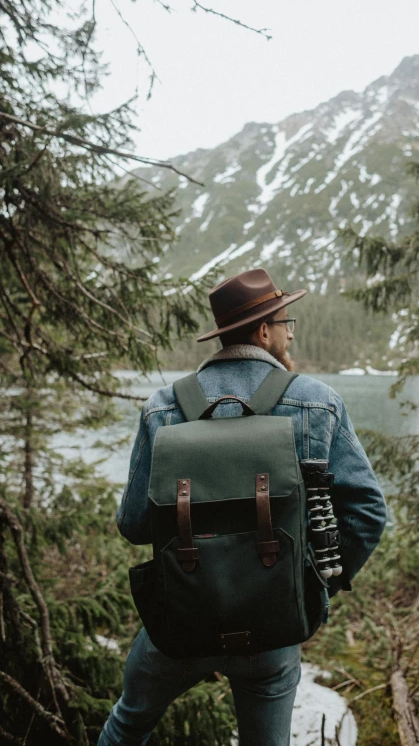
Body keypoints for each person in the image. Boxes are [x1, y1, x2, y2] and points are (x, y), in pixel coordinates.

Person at [98, 268, 386, 746]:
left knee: (126, 726)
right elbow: (368, 513)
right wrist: (313, 585)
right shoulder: (317, 402)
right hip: (272, 629)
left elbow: (133, 524)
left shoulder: (164, 407)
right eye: (285, 322)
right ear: (264, 331)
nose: (290, 332)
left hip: (181, 622)